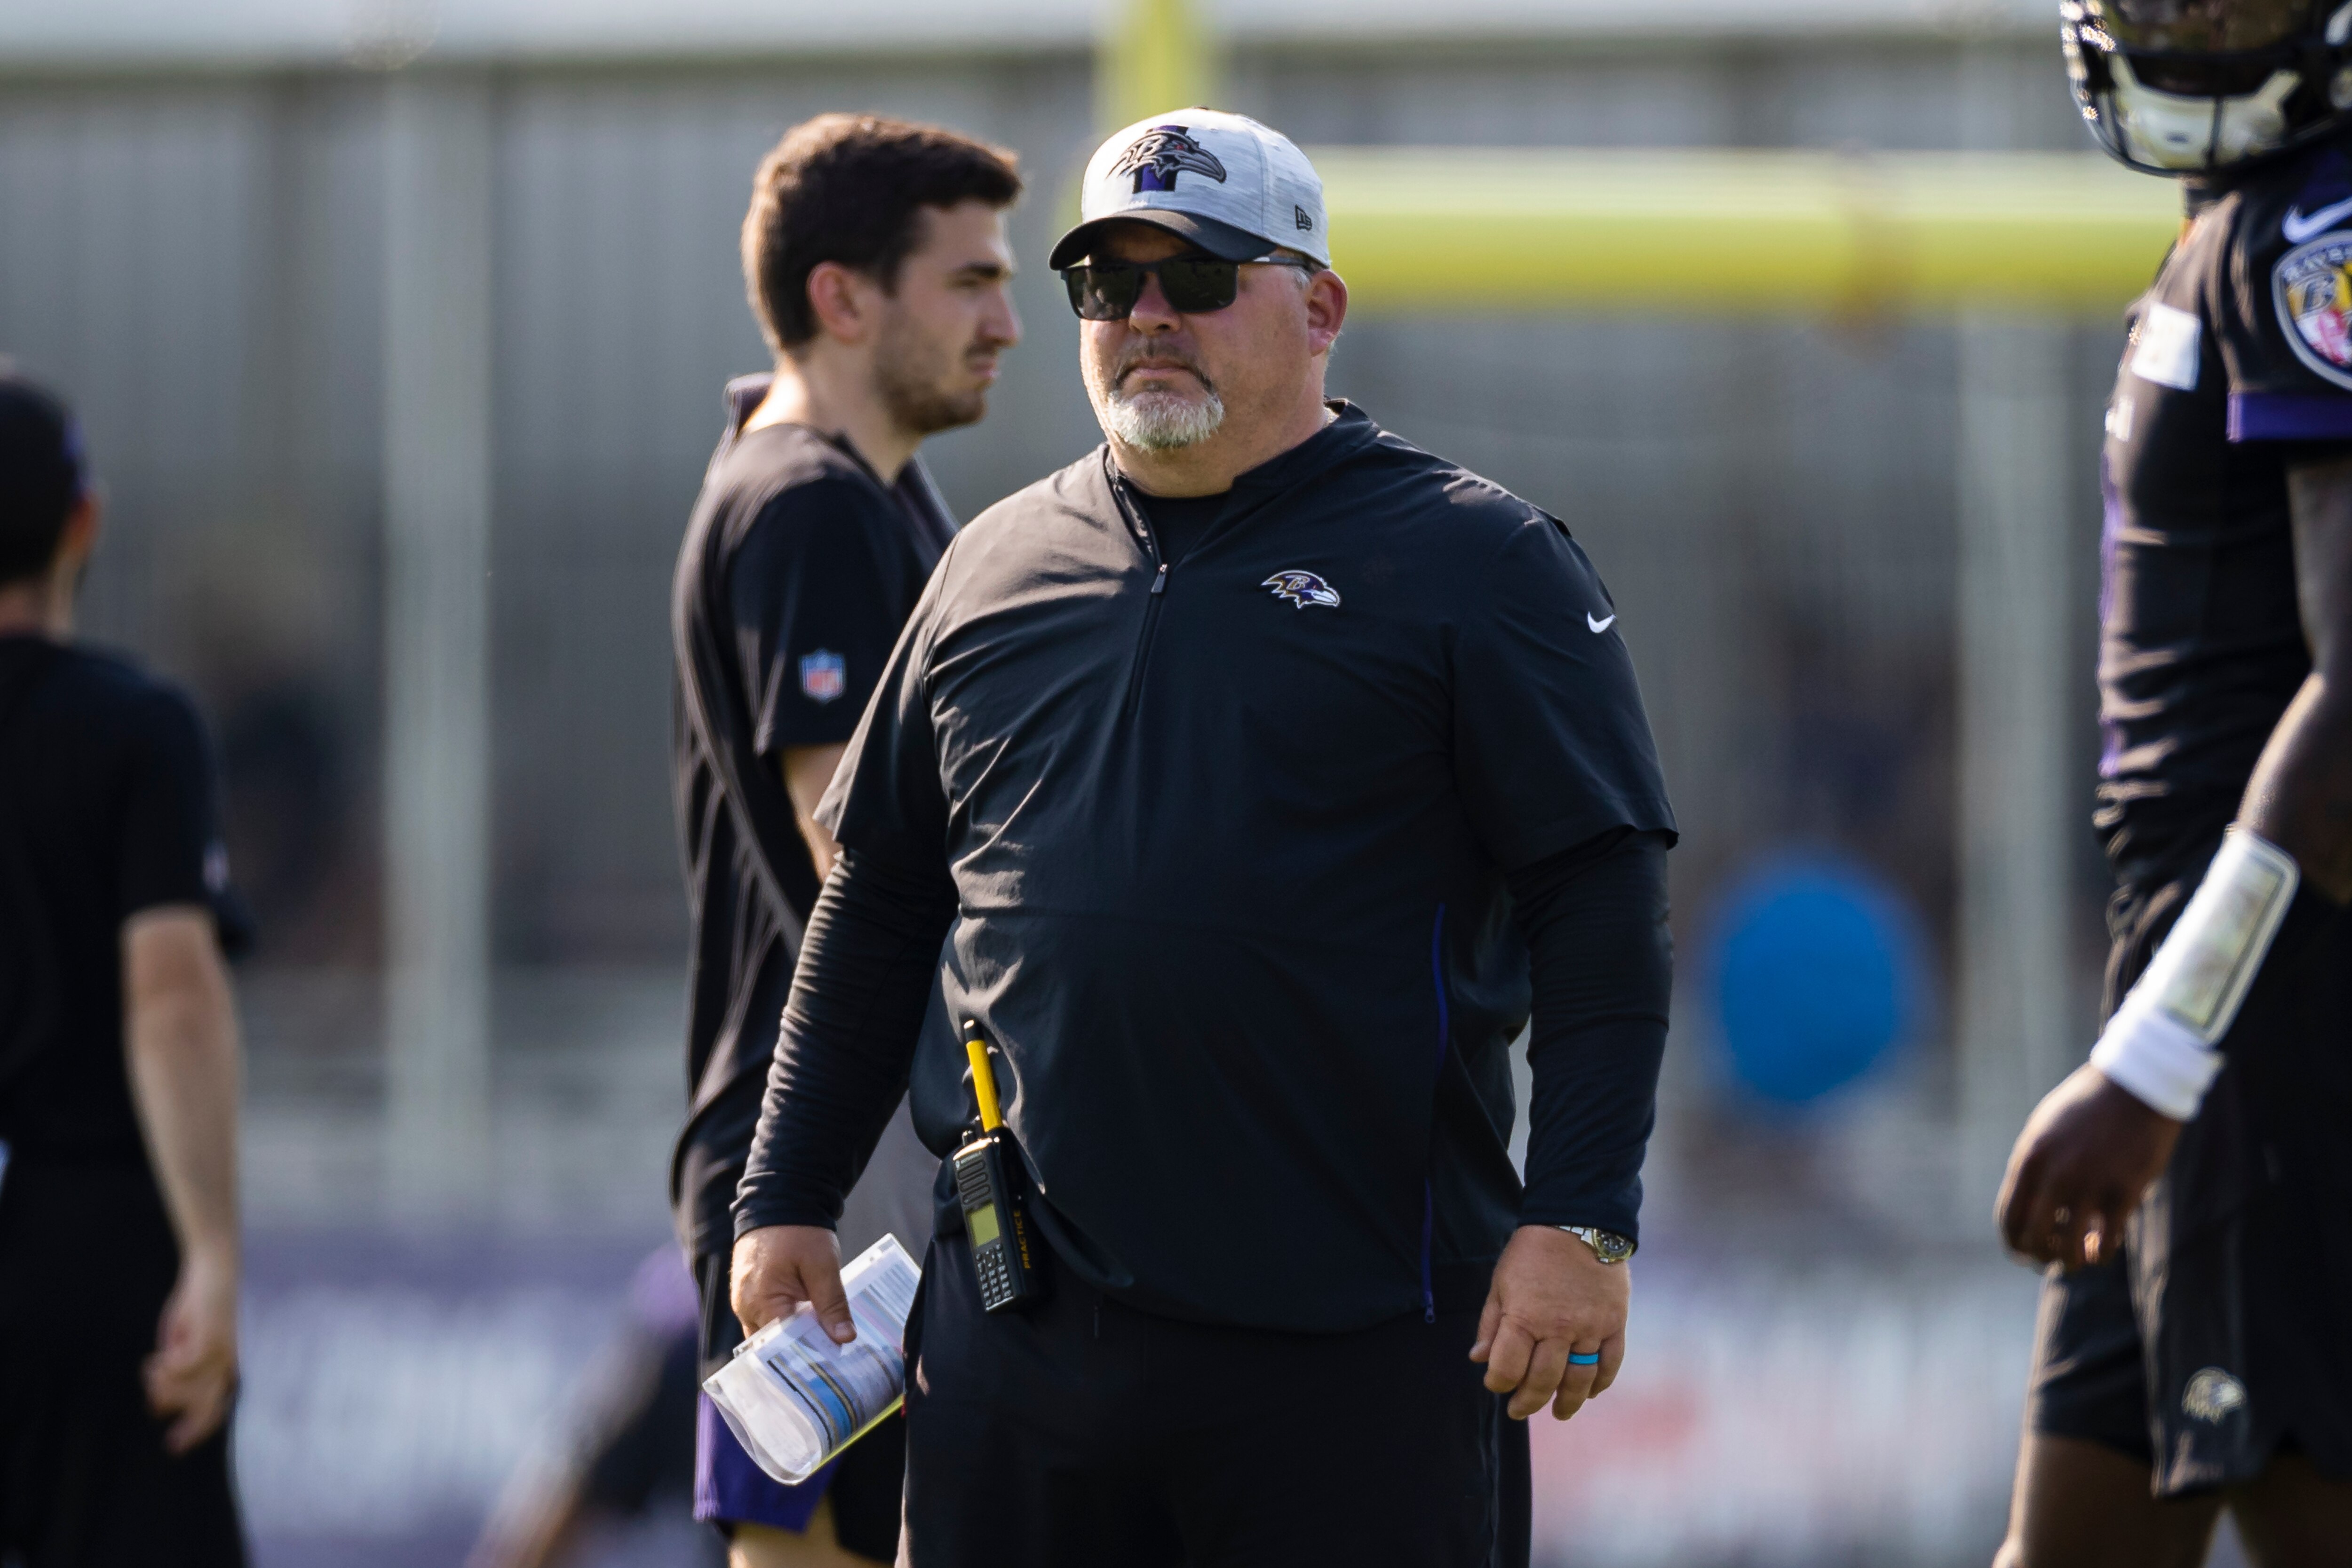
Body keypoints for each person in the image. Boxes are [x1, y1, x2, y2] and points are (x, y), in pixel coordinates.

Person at [727, 110, 1677, 1567]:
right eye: (1110, 284)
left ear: (1319, 307)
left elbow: (1603, 903)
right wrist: (785, 1187)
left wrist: (1585, 1217)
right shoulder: (990, 563)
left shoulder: (1477, 560)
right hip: (1024, 1333)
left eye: (1202, 271)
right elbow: (878, 899)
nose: (1149, 315)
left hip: (1357, 1337)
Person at [1994, 7, 2352, 1565]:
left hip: (2262, 991)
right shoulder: (2245, 222)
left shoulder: (2316, 225)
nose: (2199, 31)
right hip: (2203, 974)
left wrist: (2156, 1064)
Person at [668, 115, 1022, 1566]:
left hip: (836, 1140)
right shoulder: (807, 501)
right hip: (828, 1154)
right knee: (811, 1547)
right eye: (969, 282)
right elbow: (847, 849)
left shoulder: (847, 487)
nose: (1009, 322)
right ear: (843, 296)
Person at [0, 367, 251, 1565]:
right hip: (89, 1230)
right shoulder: (135, 728)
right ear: (83, 522)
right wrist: (211, 1245)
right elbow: (171, 996)